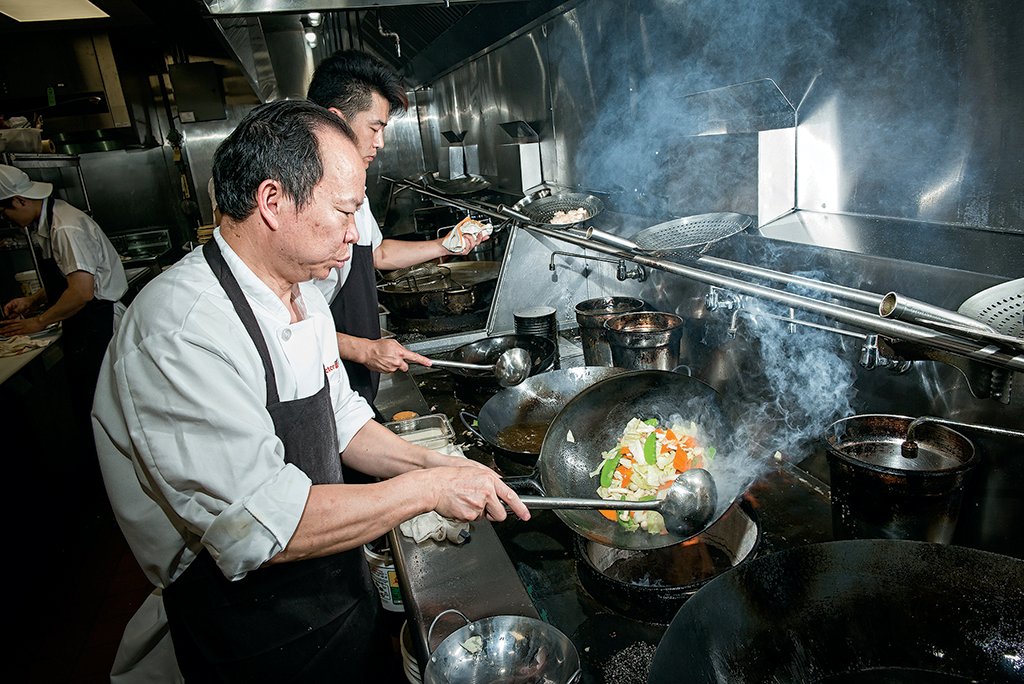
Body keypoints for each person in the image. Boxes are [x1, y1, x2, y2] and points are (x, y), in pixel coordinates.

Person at [92, 99, 529, 681]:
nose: (355, 235)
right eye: (345, 211)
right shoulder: (183, 330)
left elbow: (341, 418)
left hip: (332, 595)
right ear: (273, 202)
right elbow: (265, 528)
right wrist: (427, 488)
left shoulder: (299, 291)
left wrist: (439, 461)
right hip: (246, 632)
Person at [307, 49, 488, 406]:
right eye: (375, 128)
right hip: (317, 370)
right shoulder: (298, 202)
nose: (381, 142)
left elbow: (378, 253)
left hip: (348, 370)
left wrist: (444, 245)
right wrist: (362, 349)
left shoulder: (352, 184)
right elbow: (283, 323)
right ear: (335, 121)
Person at [0, 164, 128, 498]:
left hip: (98, 325)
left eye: (4, 211)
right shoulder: (49, 222)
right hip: (86, 326)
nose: (6, 219)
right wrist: (34, 300)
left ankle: (117, 489)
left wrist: (37, 323)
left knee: (105, 410)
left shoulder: (65, 226)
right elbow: (68, 277)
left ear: (17, 202)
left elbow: (82, 292)